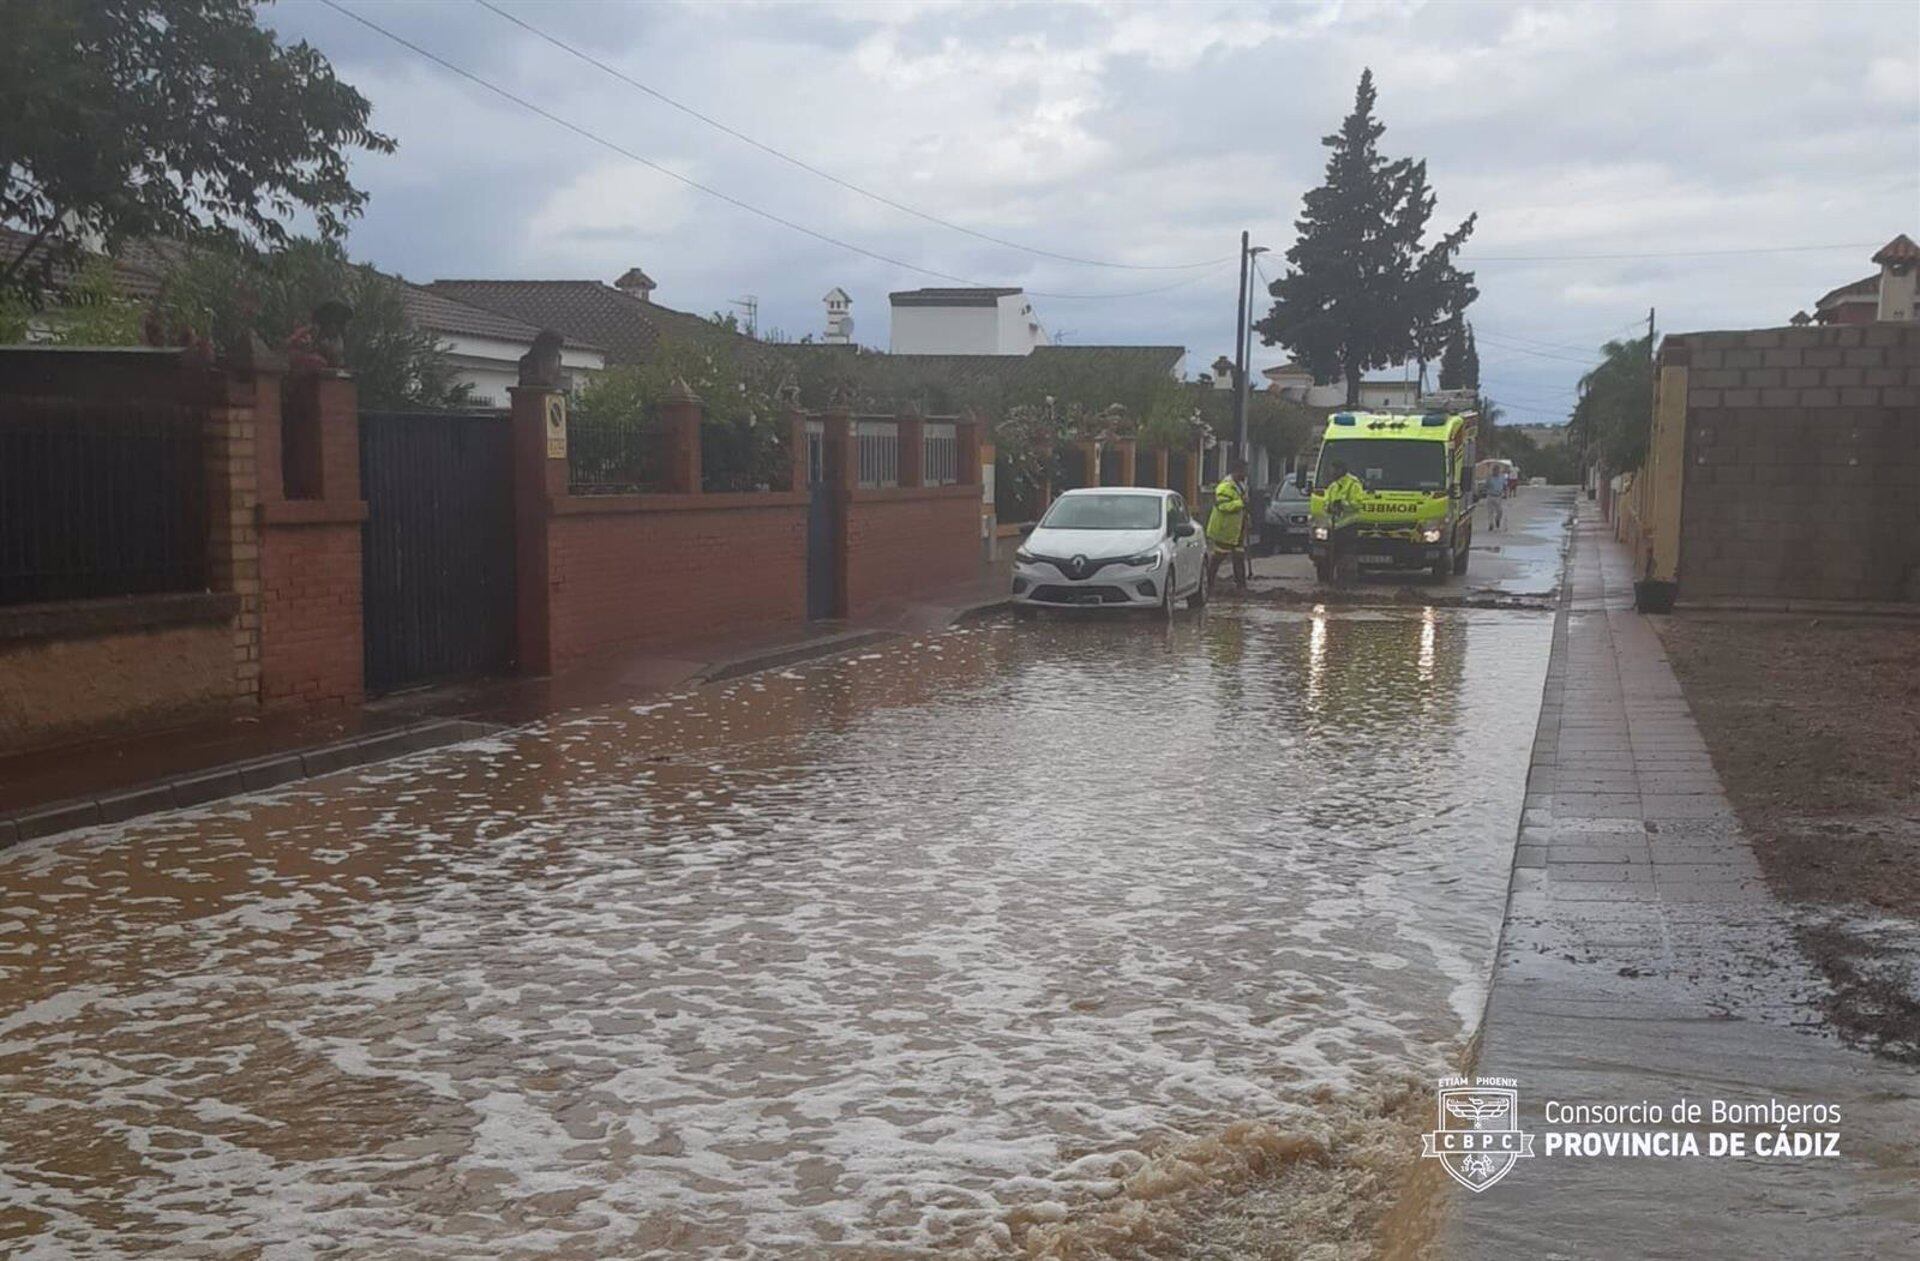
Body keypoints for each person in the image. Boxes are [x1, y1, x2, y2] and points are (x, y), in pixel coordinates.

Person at [1205, 458, 1251, 591]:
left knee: (1239, 557)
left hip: (1237, 530)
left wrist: (1247, 517)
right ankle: (1208, 582)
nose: (1246, 474)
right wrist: (1241, 503)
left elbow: (1243, 507)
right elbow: (1223, 506)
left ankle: (1241, 585)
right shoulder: (1225, 487)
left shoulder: (1241, 486)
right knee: (1218, 557)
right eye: (1244, 471)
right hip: (1224, 530)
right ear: (1237, 471)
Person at [1483, 464, 1508, 530]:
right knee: (1490, 512)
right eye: (1494, 470)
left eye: (1497, 470)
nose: (1496, 472)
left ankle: (1497, 519)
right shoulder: (1489, 478)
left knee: (1500, 511)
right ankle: (1491, 524)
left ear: (1499, 471)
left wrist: (1505, 494)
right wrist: (1485, 489)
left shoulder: (1501, 477)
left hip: (1498, 496)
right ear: (1493, 471)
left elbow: (1505, 486)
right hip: (1490, 496)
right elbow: (1485, 486)